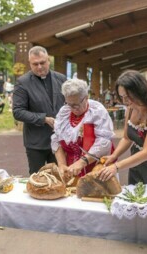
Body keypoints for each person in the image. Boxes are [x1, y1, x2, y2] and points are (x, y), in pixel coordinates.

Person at [98, 70, 147, 185]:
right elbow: (126, 138)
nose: (125, 101)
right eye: (122, 97)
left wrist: (117, 166)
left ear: (140, 91)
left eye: (128, 96)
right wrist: (114, 156)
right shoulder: (130, 109)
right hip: (136, 161)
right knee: (136, 195)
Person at [13, 46, 66, 175]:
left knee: (60, 177)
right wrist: (43, 119)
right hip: (36, 143)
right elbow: (18, 111)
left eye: (42, 62)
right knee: (37, 179)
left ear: (48, 60)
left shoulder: (61, 79)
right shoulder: (22, 82)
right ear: (30, 63)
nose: (40, 67)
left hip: (60, 140)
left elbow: (69, 104)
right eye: (35, 64)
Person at [51, 79, 114, 180]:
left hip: (95, 166)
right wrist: (62, 164)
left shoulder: (97, 111)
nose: (73, 108)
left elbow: (104, 142)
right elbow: (56, 139)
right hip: (72, 168)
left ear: (86, 98)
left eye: (76, 104)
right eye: (69, 104)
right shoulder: (64, 112)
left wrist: (81, 162)